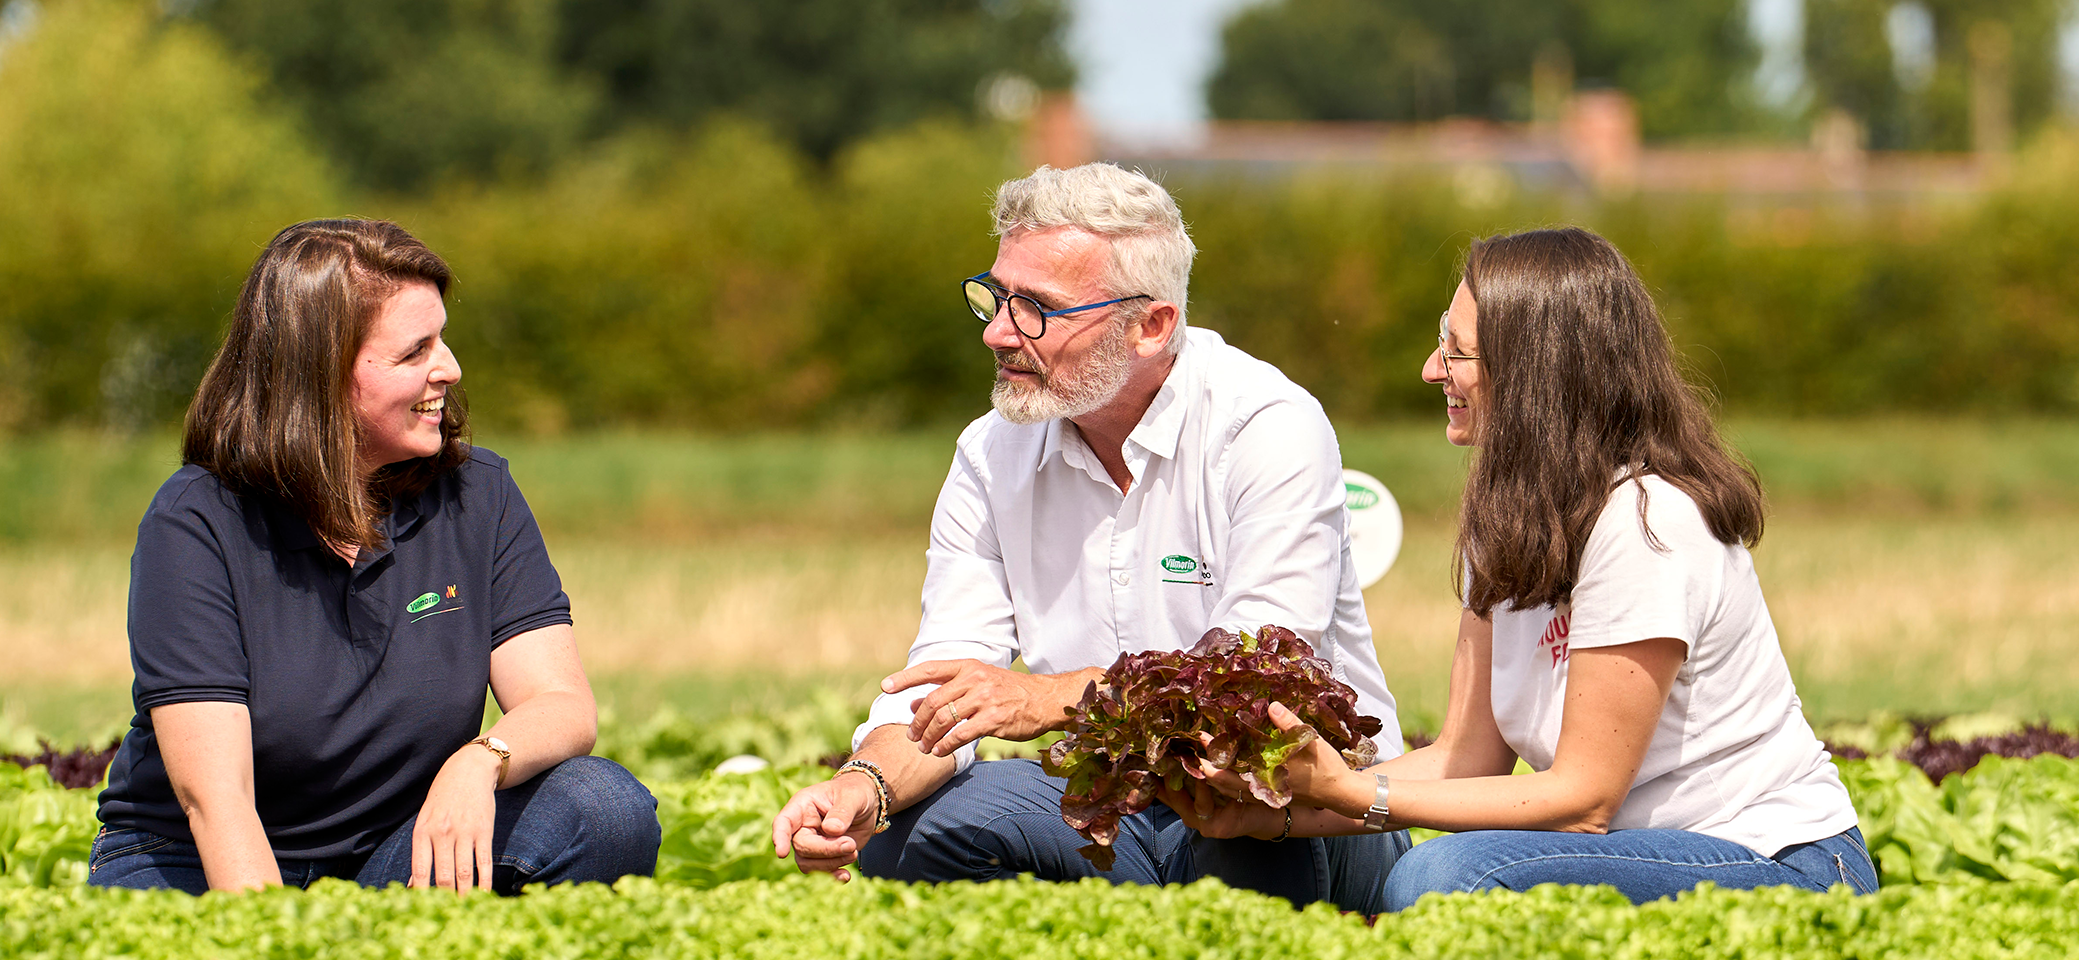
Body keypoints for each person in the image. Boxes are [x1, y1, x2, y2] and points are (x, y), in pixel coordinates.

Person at [1163, 227, 1876, 910]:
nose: (1430, 368)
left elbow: (1582, 800)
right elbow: (1461, 759)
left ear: (1534, 371)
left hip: (1777, 862)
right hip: (1639, 855)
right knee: (1439, 873)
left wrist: (1345, 790)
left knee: (1448, 879)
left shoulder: (1645, 522)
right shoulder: (1509, 528)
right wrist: (1277, 816)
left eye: (1455, 350)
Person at [768, 163, 1410, 912]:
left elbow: (1255, 684)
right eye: (996, 297)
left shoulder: (1265, 425)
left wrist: (1050, 700)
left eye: (1037, 308)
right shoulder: (989, 451)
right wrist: (862, 787)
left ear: (1151, 326)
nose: (998, 332)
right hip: (1111, 803)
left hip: (1301, 806)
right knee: (905, 837)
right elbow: (946, 683)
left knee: (1247, 835)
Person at [90, 219, 659, 894]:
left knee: (601, 806)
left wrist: (478, 761)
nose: (448, 368)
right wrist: (282, 946)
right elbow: (217, 805)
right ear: (320, 375)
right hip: (194, 863)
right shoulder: (197, 522)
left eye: (441, 339)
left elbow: (561, 702)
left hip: (391, 855)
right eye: (414, 351)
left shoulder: (478, 494)